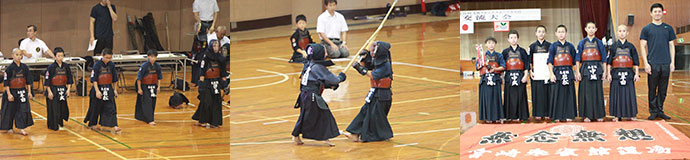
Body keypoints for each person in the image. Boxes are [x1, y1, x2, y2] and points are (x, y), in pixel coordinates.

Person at [292, 44, 347, 146]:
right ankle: (325, 138)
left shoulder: (309, 63)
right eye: (324, 52)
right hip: (312, 96)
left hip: (305, 94)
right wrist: (341, 77)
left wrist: (329, 86)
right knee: (325, 114)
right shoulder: (318, 67)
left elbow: (314, 81)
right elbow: (333, 79)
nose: (326, 53)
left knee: (305, 115)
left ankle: (295, 136)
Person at [344, 41, 394, 142]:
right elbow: (366, 65)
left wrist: (359, 68)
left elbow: (373, 75)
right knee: (365, 110)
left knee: (375, 115)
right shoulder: (377, 61)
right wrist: (363, 57)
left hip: (382, 94)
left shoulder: (386, 65)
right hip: (375, 91)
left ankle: (382, 135)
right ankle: (354, 133)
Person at [640, 3, 675, 120]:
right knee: (652, 89)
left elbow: (671, 46)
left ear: (662, 13)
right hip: (653, 63)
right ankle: (653, 111)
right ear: (651, 13)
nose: (657, 13)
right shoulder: (646, 29)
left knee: (663, 90)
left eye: (659, 11)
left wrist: (672, 62)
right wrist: (645, 63)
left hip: (665, 63)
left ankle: (660, 110)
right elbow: (642, 46)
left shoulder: (668, 28)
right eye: (655, 11)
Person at [83, 48, 121, 133]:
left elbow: (114, 79)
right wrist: (97, 91)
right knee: (95, 107)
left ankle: (114, 125)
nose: (108, 59)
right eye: (107, 57)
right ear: (102, 56)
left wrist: (115, 90)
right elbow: (94, 79)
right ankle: (92, 124)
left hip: (108, 88)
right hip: (99, 88)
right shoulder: (97, 65)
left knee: (111, 107)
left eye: (110, 58)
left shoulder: (111, 65)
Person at [192, 40, 228, 128]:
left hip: (216, 82)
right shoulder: (206, 57)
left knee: (216, 102)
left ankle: (214, 121)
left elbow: (223, 72)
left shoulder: (220, 58)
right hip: (207, 82)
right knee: (207, 101)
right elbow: (202, 71)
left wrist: (224, 83)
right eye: (214, 46)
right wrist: (201, 85)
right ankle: (202, 120)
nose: (216, 48)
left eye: (217, 46)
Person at [607, 25, 640, 121]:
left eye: (624, 31)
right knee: (617, 94)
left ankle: (631, 114)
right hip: (616, 73)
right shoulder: (613, 47)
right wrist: (608, 74)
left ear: (627, 33)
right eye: (620, 31)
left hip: (628, 73)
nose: (622, 33)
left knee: (629, 94)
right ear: (617, 32)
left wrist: (636, 73)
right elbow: (609, 62)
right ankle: (617, 115)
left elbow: (636, 61)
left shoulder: (631, 46)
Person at [576, 21, 607, 122]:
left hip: (597, 68)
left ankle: (599, 114)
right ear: (585, 29)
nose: (591, 29)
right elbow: (577, 59)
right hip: (585, 68)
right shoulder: (582, 43)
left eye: (593, 28)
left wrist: (605, 71)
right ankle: (587, 115)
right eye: (589, 27)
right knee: (587, 93)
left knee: (597, 92)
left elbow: (604, 59)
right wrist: (577, 72)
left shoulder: (599, 43)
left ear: (596, 29)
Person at [0, 49, 34, 136]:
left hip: (22, 91)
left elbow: (29, 81)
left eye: (20, 55)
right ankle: (9, 127)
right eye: (17, 55)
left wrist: (29, 92)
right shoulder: (9, 68)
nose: (19, 57)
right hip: (11, 91)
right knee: (9, 110)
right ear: (12, 55)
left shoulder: (24, 67)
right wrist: (9, 94)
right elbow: (6, 82)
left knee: (22, 110)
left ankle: (22, 128)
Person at [548, 24, 578, 122]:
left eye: (563, 32)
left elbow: (575, 61)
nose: (561, 34)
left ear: (566, 33)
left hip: (568, 72)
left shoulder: (571, 46)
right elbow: (550, 61)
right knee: (557, 94)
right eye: (559, 32)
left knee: (569, 94)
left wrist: (576, 72)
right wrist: (551, 74)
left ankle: (569, 114)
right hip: (557, 72)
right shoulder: (553, 46)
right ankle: (557, 116)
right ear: (556, 34)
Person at [502, 30, 530, 122]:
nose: (513, 40)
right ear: (508, 39)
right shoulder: (505, 52)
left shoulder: (522, 51)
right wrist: (502, 77)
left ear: (518, 39)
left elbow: (526, 64)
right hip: (509, 77)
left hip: (520, 75)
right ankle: (509, 115)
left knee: (520, 96)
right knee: (509, 96)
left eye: (515, 37)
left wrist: (525, 75)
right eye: (511, 38)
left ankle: (521, 115)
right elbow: (502, 66)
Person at [476, 37, 505, 123]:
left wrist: (495, 69)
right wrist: (481, 63)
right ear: (486, 44)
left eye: (493, 43)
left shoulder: (499, 55)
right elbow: (477, 67)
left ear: (495, 44)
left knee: (496, 98)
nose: (491, 45)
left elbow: (503, 66)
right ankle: (488, 117)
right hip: (485, 80)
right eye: (489, 43)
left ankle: (497, 117)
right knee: (487, 99)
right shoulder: (482, 55)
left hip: (495, 79)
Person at [44, 47, 74, 131]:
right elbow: (47, 81)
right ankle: (53, 125)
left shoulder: (66, 66)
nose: (60, 57)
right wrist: (49, 92)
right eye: (58, 56)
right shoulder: (51, 67)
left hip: (62, 89)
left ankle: (60, 122)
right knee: (53, 108)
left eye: (62, 56)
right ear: (55, 56)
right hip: (53, 89)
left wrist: (68, 90)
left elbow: (69, 79)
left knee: (62, 107)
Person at [528, 25, 552, 121]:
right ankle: (537, 113)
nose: (541, 33)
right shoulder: (532, 46)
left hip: (547, 74)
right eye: (539, 31)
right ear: (536, 33)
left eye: (543, 31)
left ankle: (547, 113)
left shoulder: (550, 46)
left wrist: (551, 72)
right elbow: (529, 61)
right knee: (537, 93)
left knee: (547, 93)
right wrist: (531, 71)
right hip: (536, 74)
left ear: (545, 33)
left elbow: (551, 60)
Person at [135, 50, 163, 126]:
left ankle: (144, 116)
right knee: (147, 102)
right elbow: (139, 78)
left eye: (154, 57)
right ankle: (149, 119)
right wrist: (139, 88)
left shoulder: (157, 66)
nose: (153, 58)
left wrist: (158, 87)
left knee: (152, 102)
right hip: (145, 86)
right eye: (151, 57)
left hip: (153, 86)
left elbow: (159, 77)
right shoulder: (144, 66)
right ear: (148, 57)